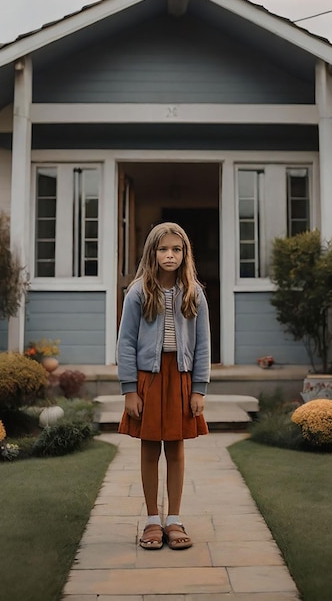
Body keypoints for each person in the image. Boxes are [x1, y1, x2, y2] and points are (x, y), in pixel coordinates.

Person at [117, 221, 210, 550]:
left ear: (185, 254)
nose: (170, 255)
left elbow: (203, 345)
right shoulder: (138, 292)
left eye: (176, 249)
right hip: (149, 379)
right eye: (163, 249)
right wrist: (130, 389)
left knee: (176, 448)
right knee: (149, 447)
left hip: (181, 378)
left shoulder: (193, 292)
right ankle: (153, 520)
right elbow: (126, 342)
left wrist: (199, 388)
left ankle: (174, 518)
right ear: (152, 253)